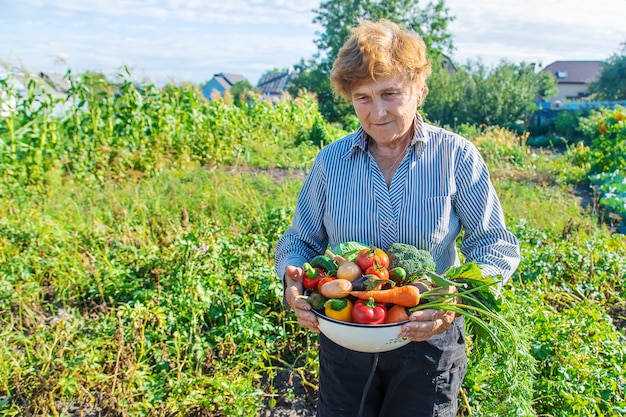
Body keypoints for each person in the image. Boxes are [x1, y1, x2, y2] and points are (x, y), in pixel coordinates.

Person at [274, 19, 520, 417]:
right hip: (346, 337)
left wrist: (454, 299)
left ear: (419, 90)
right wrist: (292, 276)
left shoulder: (456, 156)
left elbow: (495, 245)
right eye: (363, 97)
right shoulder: (330, 162)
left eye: (390, 93)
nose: (378, 111)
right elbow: (300, 241)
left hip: (428, 339)